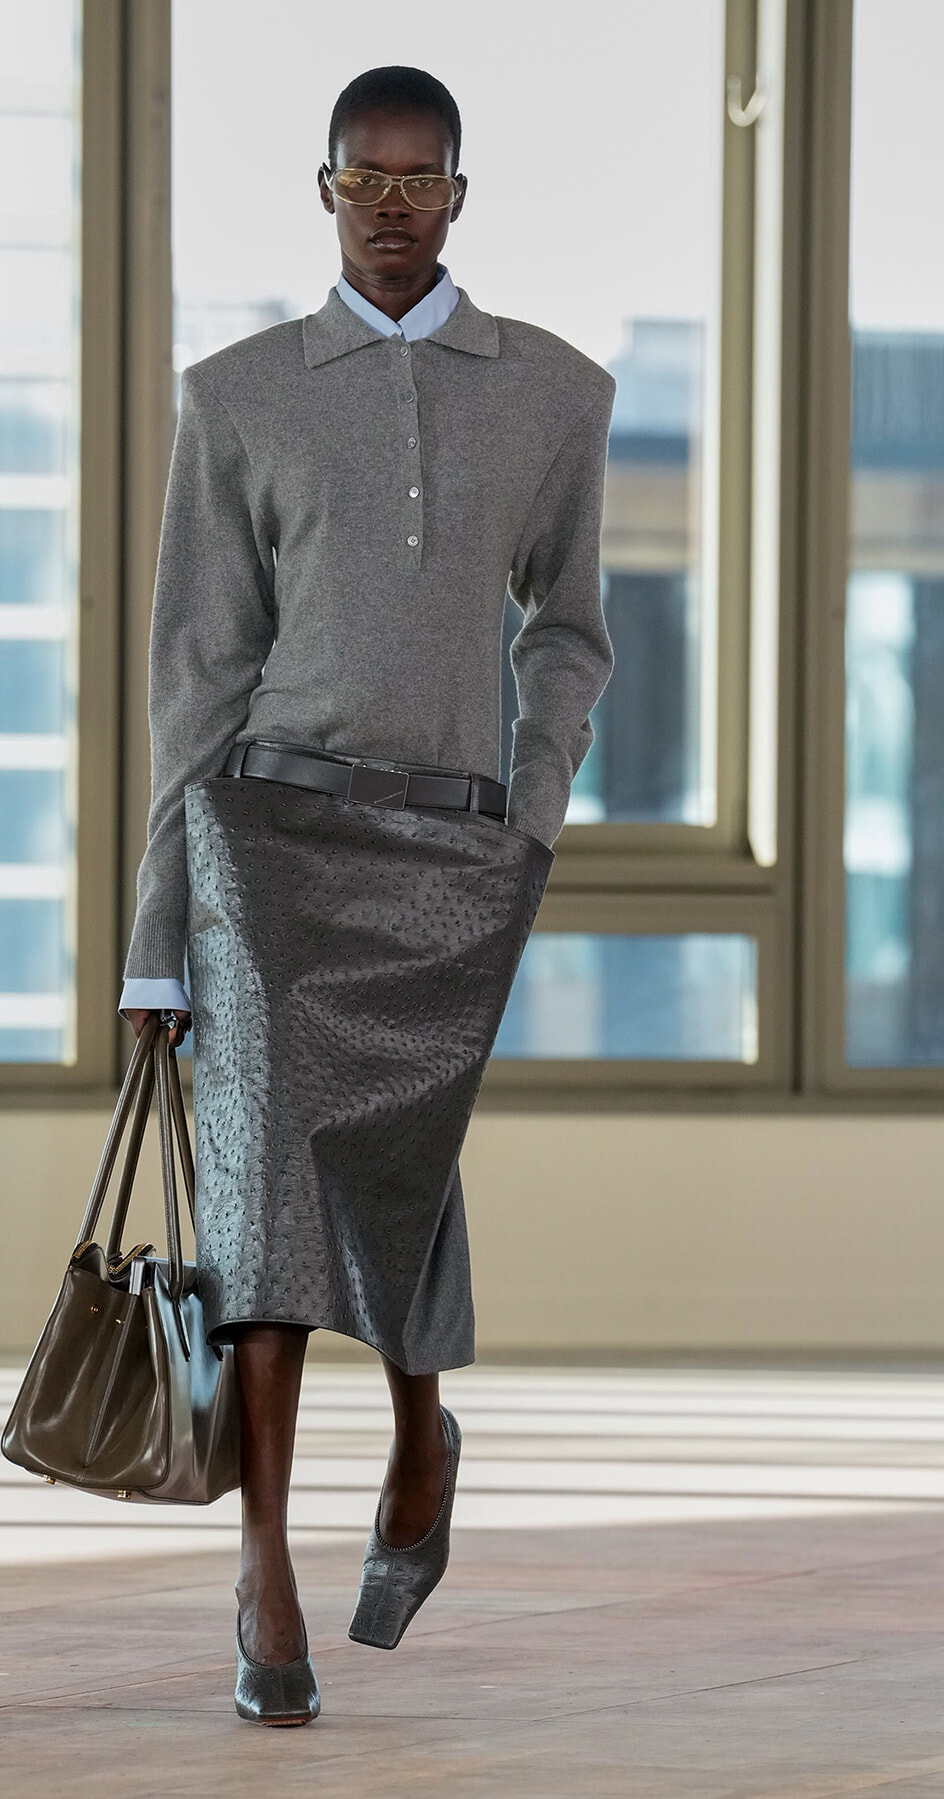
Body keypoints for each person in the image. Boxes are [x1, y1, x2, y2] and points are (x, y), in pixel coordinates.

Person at [120, 65, 615, 1726]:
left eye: (422, 181)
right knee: (266, 1194)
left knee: (395, 1177)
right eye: (364, 182)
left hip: (452, 855)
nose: (393, 208)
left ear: (461, 194)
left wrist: (529, 813)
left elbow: (568, 629)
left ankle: (420, 1430)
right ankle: (262, 1573)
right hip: (268, 844)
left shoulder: (555, 392)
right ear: (324, 191)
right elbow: (198, 679)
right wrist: (157, 942)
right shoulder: (240, 396)